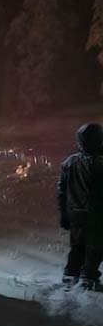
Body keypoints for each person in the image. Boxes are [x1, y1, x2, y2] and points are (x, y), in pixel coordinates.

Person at [57, 123, 103, 289]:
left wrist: (63, 213)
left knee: (77, 246)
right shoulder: (99, 163)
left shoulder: (69, 162)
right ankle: (88, 278)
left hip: (75, 213)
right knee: (96, 246)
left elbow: (61, 190)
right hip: (96, 214)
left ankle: (70, 274)